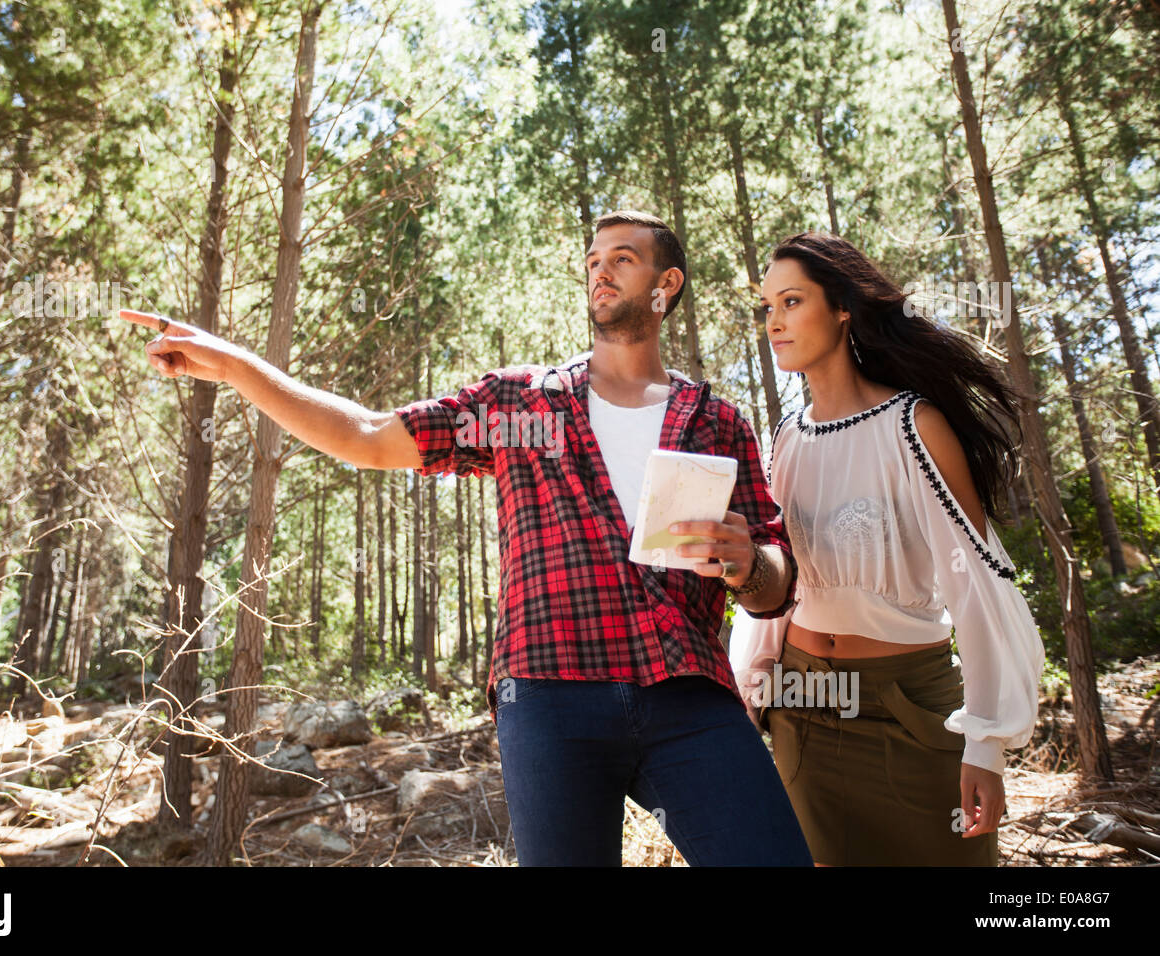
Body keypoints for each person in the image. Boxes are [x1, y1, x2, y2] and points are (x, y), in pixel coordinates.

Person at [121, 210, 811, 866]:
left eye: (623, 261)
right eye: (593, 261)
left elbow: (774, 588)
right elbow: (366, 436)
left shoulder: (715, 420)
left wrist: (749, 563)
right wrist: (238, 366)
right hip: (549, 698)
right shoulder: (518, 405)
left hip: (687, 693)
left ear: (667, 286)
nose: (601, 273)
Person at [729, 232, 1045, 866]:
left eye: (791, 301)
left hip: (910, 710)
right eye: (766, 307)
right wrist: (759, 678)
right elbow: (788, 581)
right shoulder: (786, 437)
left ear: (843, 307)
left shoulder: (912, 424)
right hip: (803, 705)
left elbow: (975, 582)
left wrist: (984, 745)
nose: (775, 321)